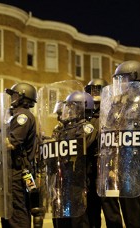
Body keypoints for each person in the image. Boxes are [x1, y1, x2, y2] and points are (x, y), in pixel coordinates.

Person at [106, 60, 140, 228]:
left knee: (139, 219)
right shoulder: (117, 107)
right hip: (122, 170)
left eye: (123, 79)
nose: (121, 84)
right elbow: (108, 130)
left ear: (135, 79)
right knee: (128, 216)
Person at [51, 91, 95, 228]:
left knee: (78, 219)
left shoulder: (87, 127)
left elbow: (79, 146)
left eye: (72, 107)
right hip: (62, 178)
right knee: (62, 217)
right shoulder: (63, 129)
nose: (68, 111)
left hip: (78, 179)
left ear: (82, 108)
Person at [84, 79, 123, 228]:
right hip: (90, 169)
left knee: (110, 209)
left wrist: (114, 168)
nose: (94, 94)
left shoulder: (114, 115)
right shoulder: (85, 117)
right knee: (91, 209)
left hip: (108, 168)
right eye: (92, 90)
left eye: (97, 90)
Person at [4, 82, 38, 228]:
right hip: (18, 170)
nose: (12, 98)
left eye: (14, 95)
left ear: (23, 97)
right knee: (12, 210)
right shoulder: (16, 115)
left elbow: (11, 143)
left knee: (17, 211)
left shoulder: (22, 116)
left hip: (17, 171)